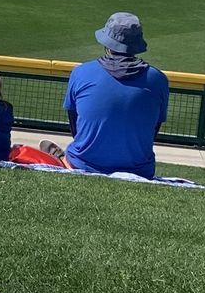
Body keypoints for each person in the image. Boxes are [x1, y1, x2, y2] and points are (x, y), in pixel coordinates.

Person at [48, 13, 169, 179]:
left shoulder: (81, 72)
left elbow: (75, 127)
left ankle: (60, 158)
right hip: (140, 170)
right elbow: (153, 130)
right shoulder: (158, 79)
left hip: (83, 163)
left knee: (72, 151)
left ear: (107, 43)